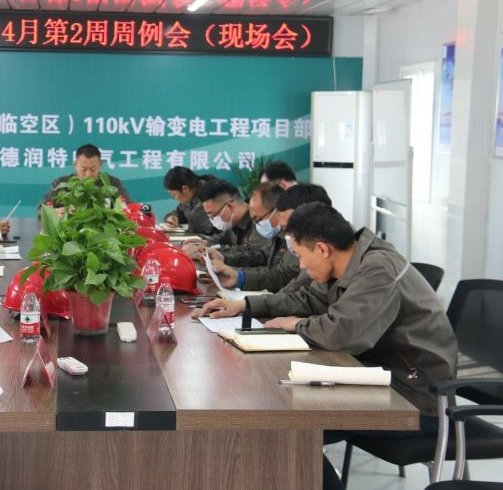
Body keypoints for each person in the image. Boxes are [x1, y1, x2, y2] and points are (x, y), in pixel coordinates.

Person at [195, 202, 457, 418]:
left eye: (300, 256)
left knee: (290, 409)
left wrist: (298, 325)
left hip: (414, 390)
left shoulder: (378, 268)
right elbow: (308, 300)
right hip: (376, 369)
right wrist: (245, 305)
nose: (300, 266)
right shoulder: (345, 263)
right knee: (281, 393)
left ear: (321, 249)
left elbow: (342, 333)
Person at [208, 181, 300, 292]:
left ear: (277, 210)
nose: (257, 225)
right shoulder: (277, 234)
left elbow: (283, 274)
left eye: (258, 219)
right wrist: (225, 258)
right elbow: (260, 256)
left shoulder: (294, 236)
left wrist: (241, 278)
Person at [183, 178, 271, 264]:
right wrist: (204, 243)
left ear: (229, 207)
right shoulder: (233, 223)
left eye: (213, 215)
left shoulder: (259, 221)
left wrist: (212, 254)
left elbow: (253, 255)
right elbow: (221, 239)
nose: (212, 219)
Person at [39, 143, 132, 208]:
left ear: (100, 165)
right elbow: (42, 209)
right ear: (75, 165)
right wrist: (55, 213)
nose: (88, 174)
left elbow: (129, 207)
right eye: (83, 169)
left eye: (93, 169)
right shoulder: (61, 183)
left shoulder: (112, 183)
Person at [162, 166, 221, 239]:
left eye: (174, 194)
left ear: (185, 188)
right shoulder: (191, 194)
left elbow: (197, 226)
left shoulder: (209, 196)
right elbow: (179, 211)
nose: (173, 198)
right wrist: (172, 217)